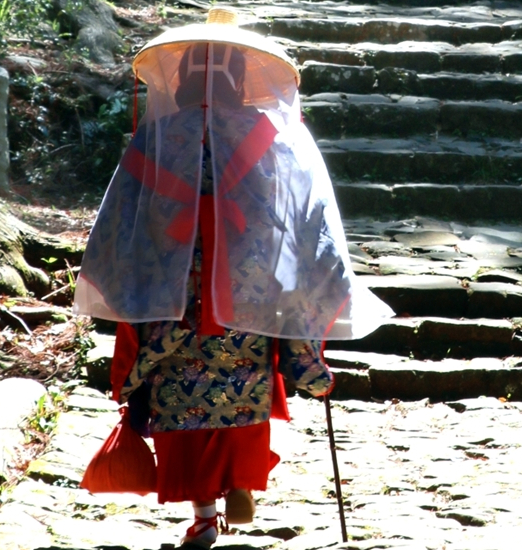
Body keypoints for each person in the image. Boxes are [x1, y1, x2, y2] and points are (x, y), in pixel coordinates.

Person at [73, 8, 393, 549]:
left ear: (183, 77)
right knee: (242, 392)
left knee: (181, 399)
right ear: (242, 78)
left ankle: (202, 515)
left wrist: (117, 272)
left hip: (171, 295)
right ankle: (241, 478)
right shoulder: (271, 138)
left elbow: (121, 216)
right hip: (248, 292)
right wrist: (320, 275)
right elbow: (300, 214)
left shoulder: (156, 138)